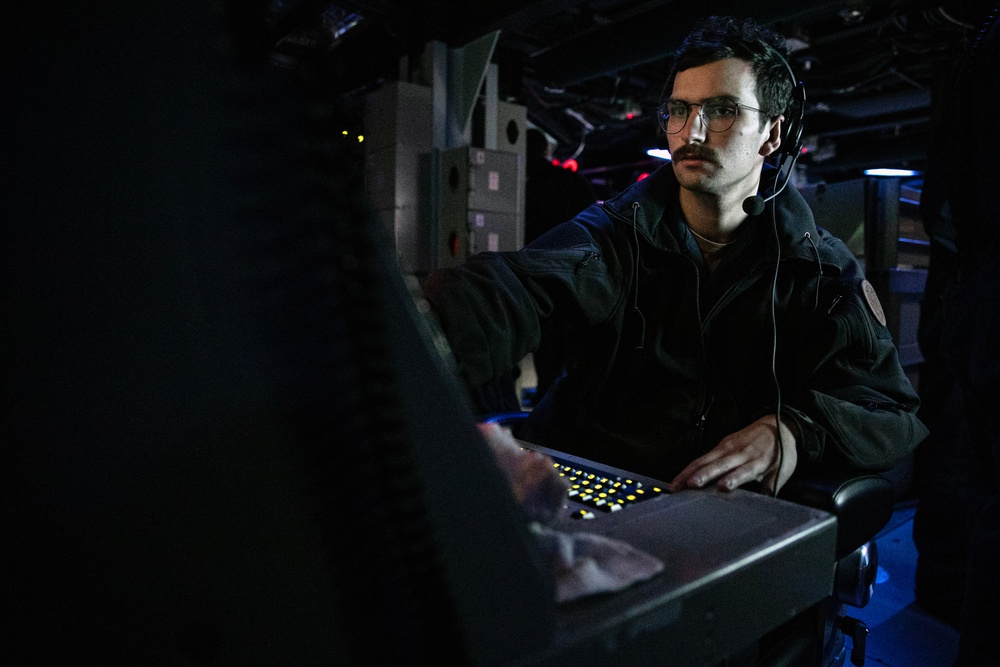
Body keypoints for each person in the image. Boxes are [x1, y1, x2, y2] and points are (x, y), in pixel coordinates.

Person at [421, 15, 927, 496]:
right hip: (593, 489)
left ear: (773, 134)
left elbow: (889, 411)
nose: (692, 133)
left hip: (724, 511)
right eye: (679, 110)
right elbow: (513, 292)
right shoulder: (614, 234)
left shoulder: (819, 270)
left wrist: (793, 431)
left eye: (723, 109)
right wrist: (413, 327)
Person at [523, 128, 596, 405]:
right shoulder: (570, 181)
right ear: (546, 151)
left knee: (547, 361)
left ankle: (544, 418)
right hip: (573, 281)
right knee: (572, 361)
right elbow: (595, 227)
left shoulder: (518, 185)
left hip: (535, 283)